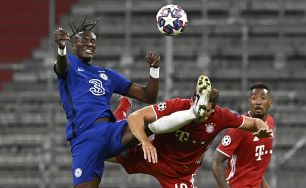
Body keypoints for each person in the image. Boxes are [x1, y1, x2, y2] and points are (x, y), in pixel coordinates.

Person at [53, 17, 162, 188]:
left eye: (93, 41)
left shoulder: (107, 74)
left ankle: (178, 144)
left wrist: (154, 70)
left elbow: (148, 96)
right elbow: (60, 66)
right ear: (73, 45)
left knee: (151, 118)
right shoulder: (69, 63)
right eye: (84, 40)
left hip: (109, 132)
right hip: (84, 138)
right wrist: (61, 48)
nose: (89, 44)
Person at [108, 76, 273, 187]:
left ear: (214, 109)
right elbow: (137, 117)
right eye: (199, 109)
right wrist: (144, 141)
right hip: (154, 155)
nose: (203, 115)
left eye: (207, 111)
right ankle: (122, 109)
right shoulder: (178, 105)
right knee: (105, 150)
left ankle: (121, 112)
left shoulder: (221, 116)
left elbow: (254, 122)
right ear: (193, 101)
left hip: (180, 175)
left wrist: (263, 128)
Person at [211, 83, 274, 188]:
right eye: (254, 98)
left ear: (270, 102)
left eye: (263, 98)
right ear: (249, 102)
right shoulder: (239, 127)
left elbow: (254, 167)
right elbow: (216, 162)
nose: (258, 102)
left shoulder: (270, 123)